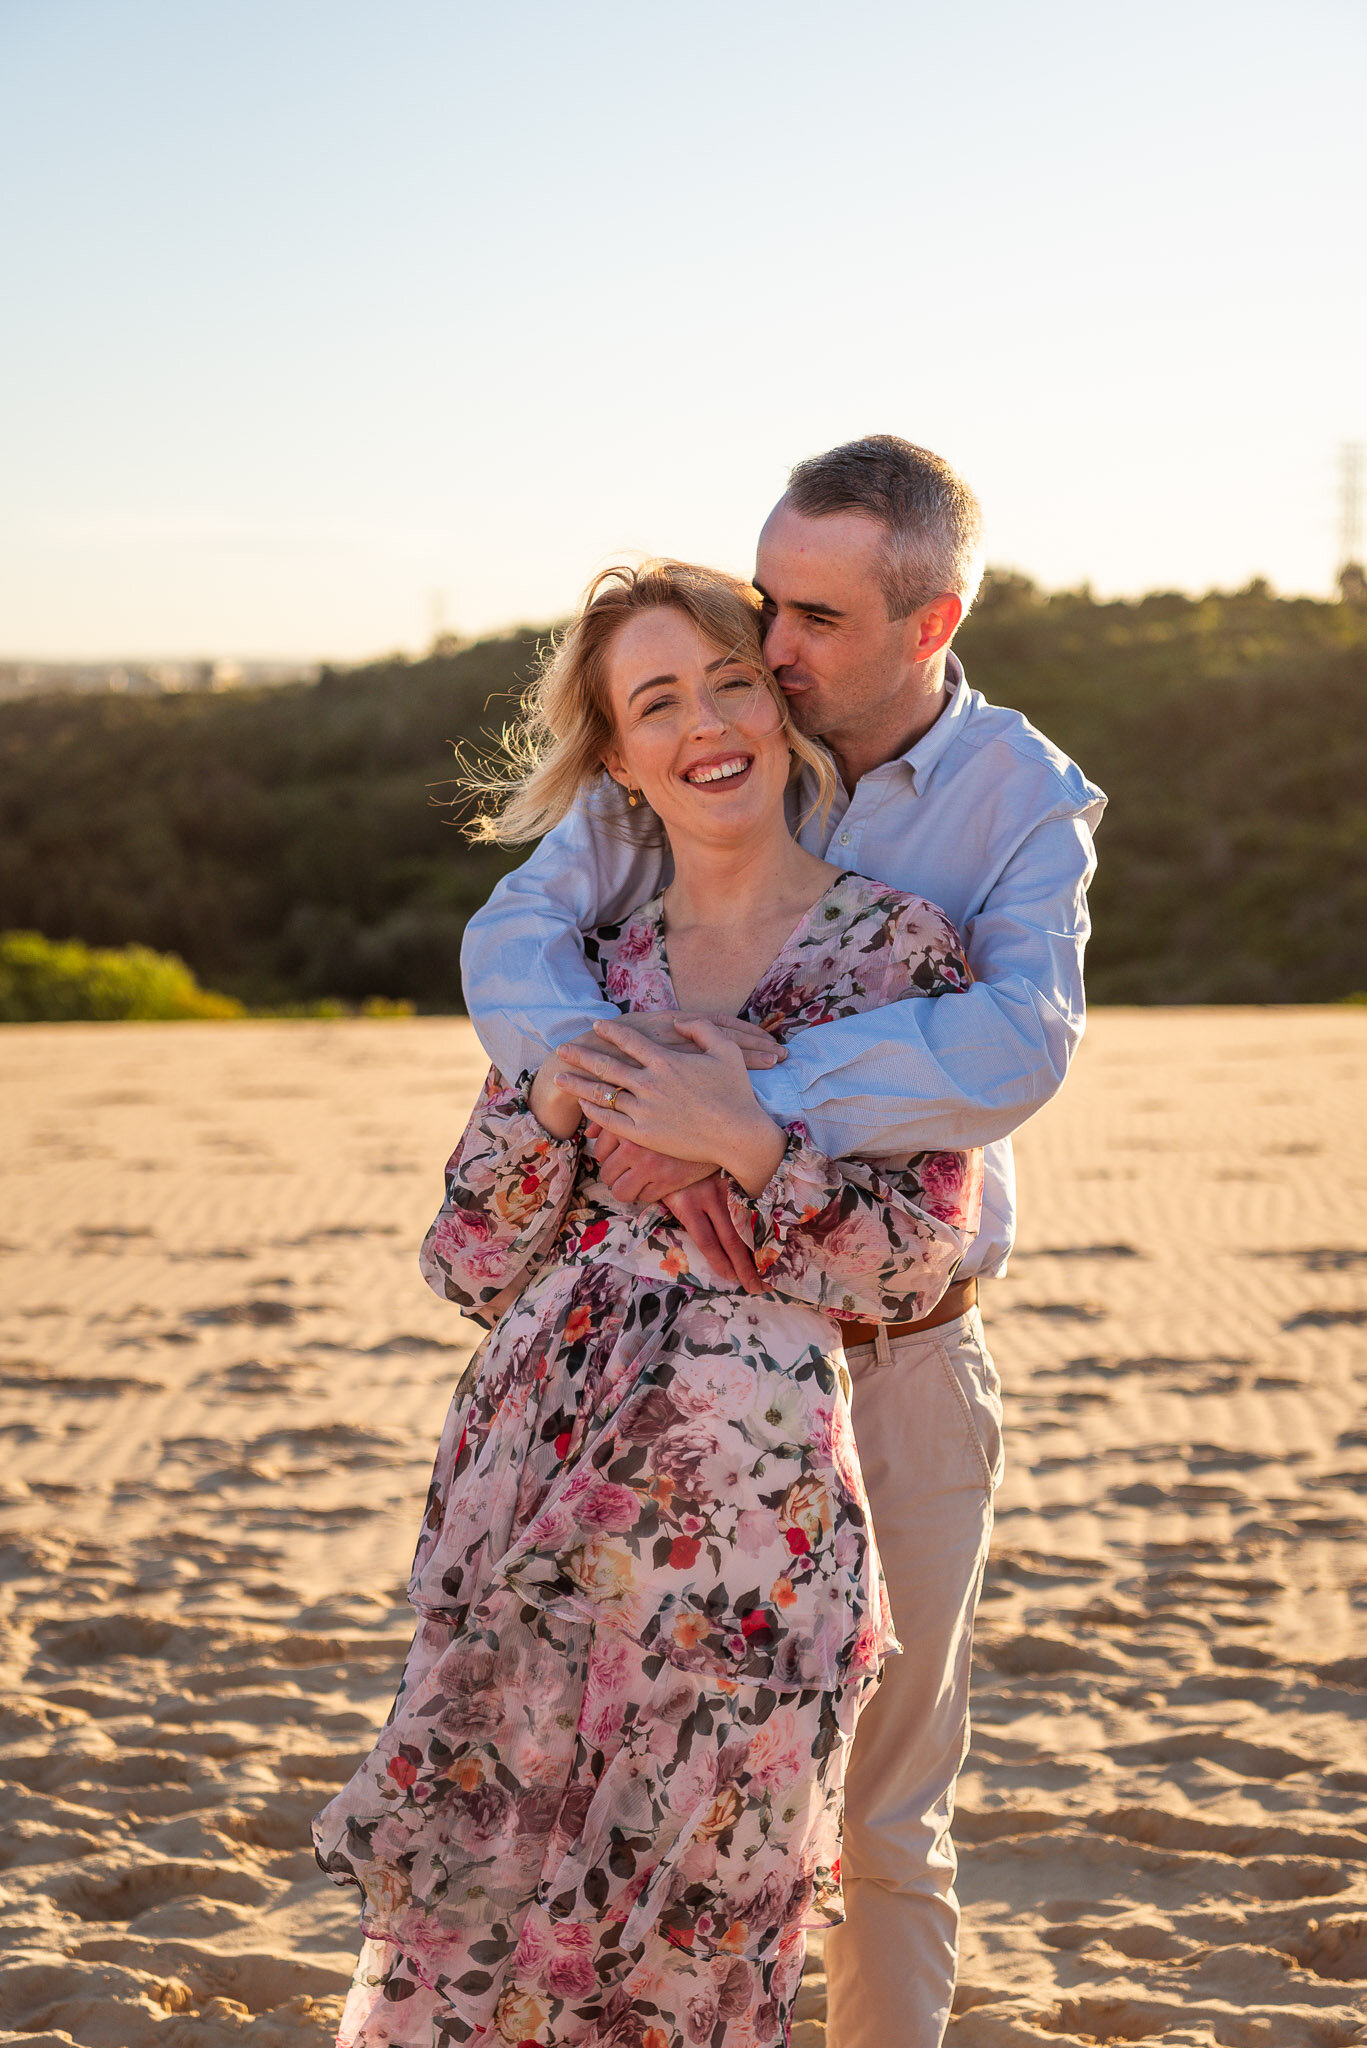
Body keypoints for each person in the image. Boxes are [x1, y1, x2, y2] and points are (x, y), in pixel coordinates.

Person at [461, 438, 1106, 2048]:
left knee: (884, 1815)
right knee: (615, 1810)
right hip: (665, 1392)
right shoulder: (725, 734)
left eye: (814, 618)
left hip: (896, 1358)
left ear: (931, 622)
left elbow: (1017, 1049)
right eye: (768, 603)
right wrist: (600, 1079)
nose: (774, 648)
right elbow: (519, 933)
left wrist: (750, 1105)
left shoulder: (1019, 799)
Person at [313, 558, 986, 2048]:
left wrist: (743, 1144)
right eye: (658, 702)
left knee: (706, 1912)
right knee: (489, 1907)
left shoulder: (900, 956)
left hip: (750, 1526)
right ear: (617, 759)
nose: (706, 726)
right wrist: (558, 1097)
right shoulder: (582, 976)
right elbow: (468, 1261)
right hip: (539, 1490)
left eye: (732, 682)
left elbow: (911, 1260)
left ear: (782, 704)